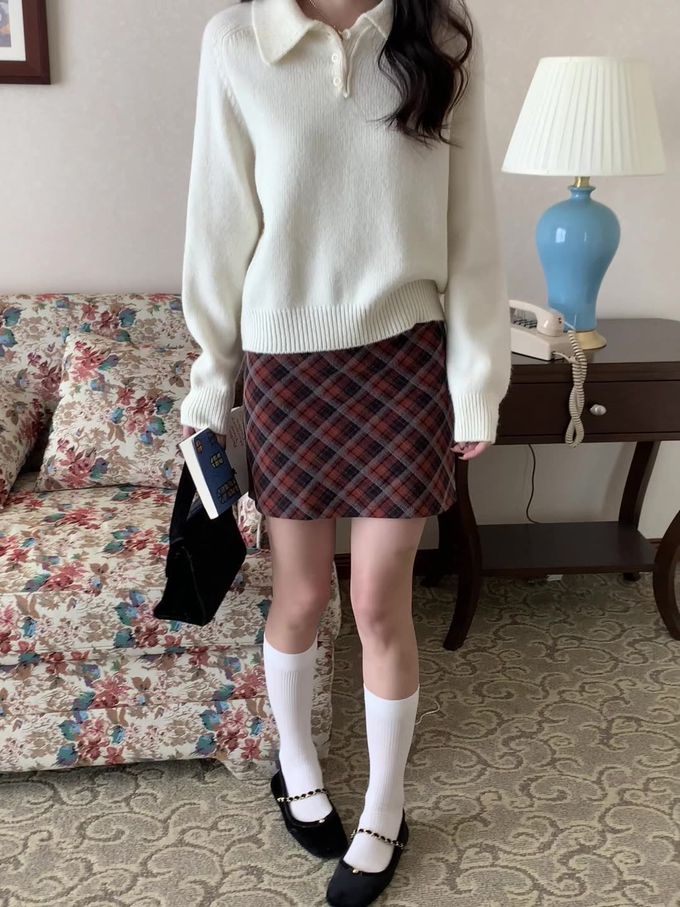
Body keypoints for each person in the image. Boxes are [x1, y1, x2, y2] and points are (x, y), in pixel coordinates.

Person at [179, 0, 512, 903]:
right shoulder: (237, 42)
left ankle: (386, 807)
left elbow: (472, 222)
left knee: (377, 601)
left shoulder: (440, 30)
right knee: (302, 593)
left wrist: (477, 379)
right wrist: (210, 385)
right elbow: (218, 219)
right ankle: (297, 768)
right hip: (286, 366)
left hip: (405, 360)